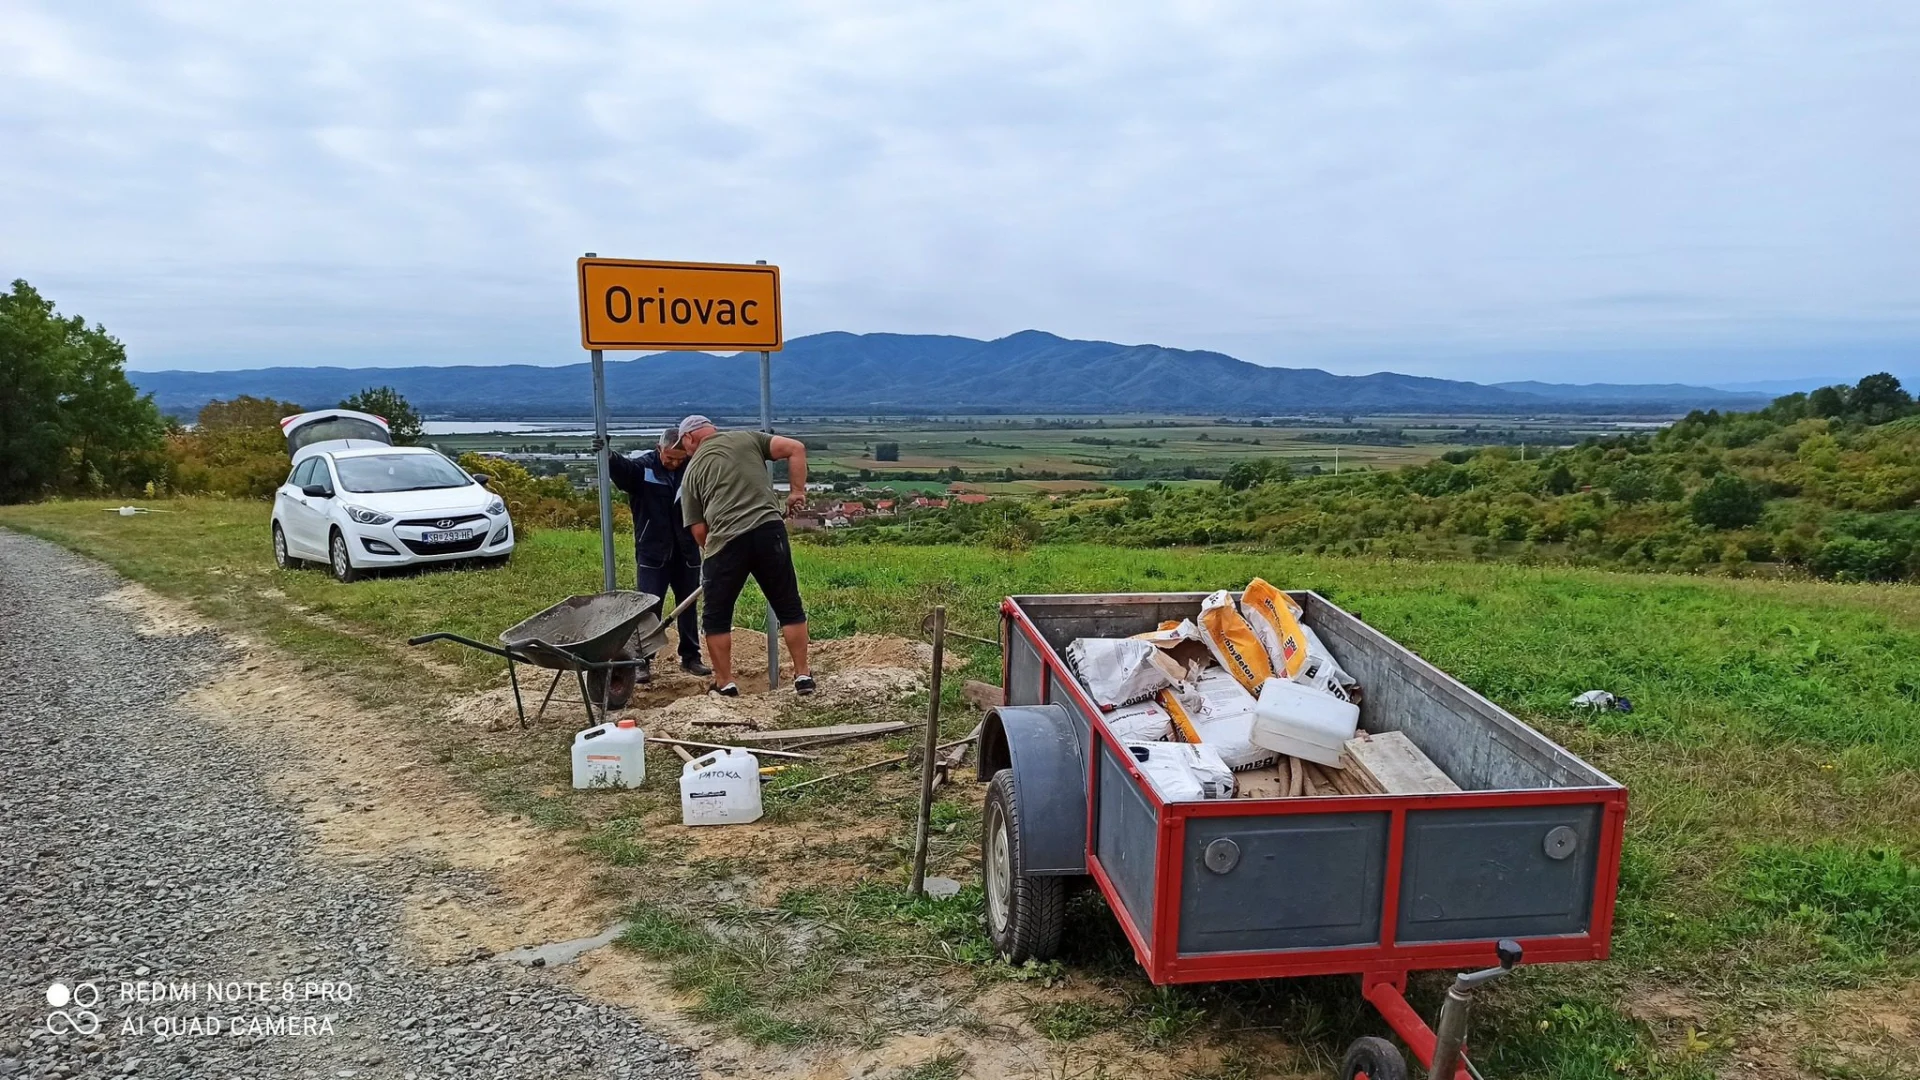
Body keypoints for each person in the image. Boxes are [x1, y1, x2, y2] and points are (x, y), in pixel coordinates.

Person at [670, 414, 812, 696]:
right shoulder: (749, 438)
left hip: (725, 542)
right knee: (789, 606)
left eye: (682, 445)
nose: (684, 451)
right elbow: (796, 448)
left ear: (689, 438)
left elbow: (698, 530)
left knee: (716, 617)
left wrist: (715, 556)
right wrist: (796, 492)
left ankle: (725, 682)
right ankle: (803, 675)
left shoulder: (691, 472)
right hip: (769, 531)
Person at [606, 434, 710, 680]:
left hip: (686, 550)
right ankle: (642, 660)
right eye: (669, 458)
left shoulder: (692, 469)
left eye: (679, 458)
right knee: (649, 608)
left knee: (688, 604)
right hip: (652, 550)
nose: (674, 463)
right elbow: (623, 470)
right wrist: (608, 455)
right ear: (658, 449)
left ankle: (691, 657)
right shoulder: (644, 468)